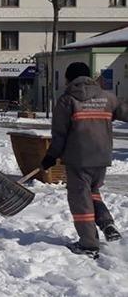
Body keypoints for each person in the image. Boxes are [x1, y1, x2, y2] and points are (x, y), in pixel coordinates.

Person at [42, 62, 126, 259]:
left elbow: (60, 134)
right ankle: (107, 223)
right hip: (102, 156)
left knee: (80, 200)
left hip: (78, 159)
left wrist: (51, 156)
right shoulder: (108, 97)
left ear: (69, 79)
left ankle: (88, 244)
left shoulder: (67, 100)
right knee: (93, 192)